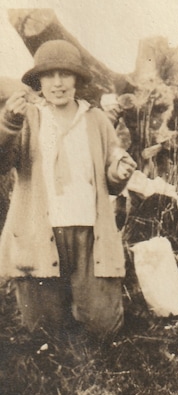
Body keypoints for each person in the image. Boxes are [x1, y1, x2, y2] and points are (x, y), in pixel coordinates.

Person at [0, 39, 136, 340]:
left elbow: (112, 174)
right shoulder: (28, 118)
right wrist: (8, 124)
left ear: (77, 79)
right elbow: (2, 162)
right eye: (49, 75)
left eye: (65, 74)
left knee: (104, 328)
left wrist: (119, 170)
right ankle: (64, 299)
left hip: (90, 233)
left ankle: (84, 297)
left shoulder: (97, 120)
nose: (58, 83)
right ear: (39, 82)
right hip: (40, 235)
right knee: (45, 332)